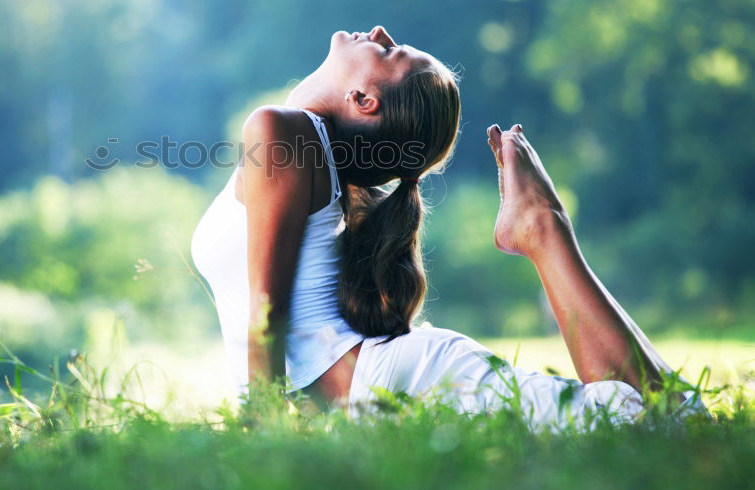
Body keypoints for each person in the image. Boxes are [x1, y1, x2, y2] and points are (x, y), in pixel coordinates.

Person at [191, 26, 698, 428]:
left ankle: (543, 227)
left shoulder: (281, 130)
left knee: (660, 421)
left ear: (364, 99)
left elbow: (266, 308)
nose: (380, 31)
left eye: (391, 53)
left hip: (403, 380)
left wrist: (261, 428)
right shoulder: (301, 148)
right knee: (656, 418)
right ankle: (543, 228)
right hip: (386, 387)